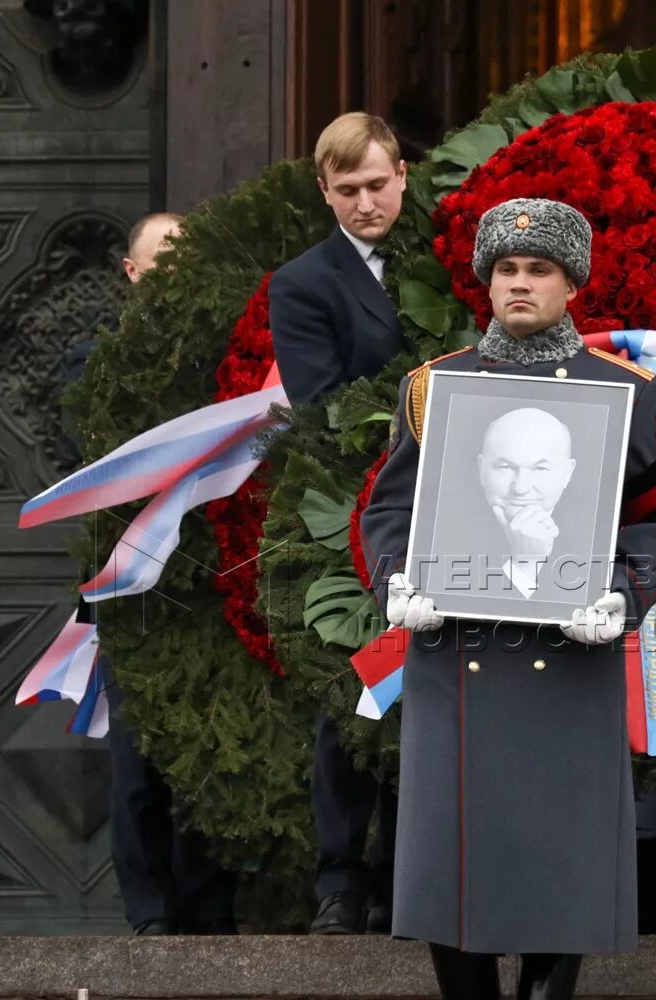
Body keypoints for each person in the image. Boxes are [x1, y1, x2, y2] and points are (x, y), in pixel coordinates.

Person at [360, 198, 656, 1000]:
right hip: (455, 650)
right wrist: (396, 582)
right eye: (504, 268)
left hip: (570, 654)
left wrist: (626, 594)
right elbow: (387, 511)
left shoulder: (623, 392)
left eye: (539, 269)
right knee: (445, 857)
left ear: (572, 283)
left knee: (562, 865)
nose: (519, 282)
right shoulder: (437, 386)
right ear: (485, 278)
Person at [71, 212, 239, 936]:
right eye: (159, 264)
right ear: (132, 274)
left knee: (210, 757)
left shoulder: (222, 357)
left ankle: (206, 911)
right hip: (133, 590)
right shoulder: (94, 361)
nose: (174, 277)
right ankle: (149, 916)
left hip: (209, 586)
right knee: (137, 767)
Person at [269, 113, 410, 934]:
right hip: (352, 508)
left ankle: (406, 876)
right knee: (353, 693)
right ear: (325, 191)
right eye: (347, 190)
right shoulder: (304, 282)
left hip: (458, 502)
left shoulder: (443, 258)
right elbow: (320, 406)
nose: (365, 203)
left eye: (377, 184)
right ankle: (341, 881)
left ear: (403, 175)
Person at [477, 407, 580, 601]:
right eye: (506, 467)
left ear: (568, 473)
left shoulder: (598, 539)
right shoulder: (437, 538)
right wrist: (524, 566)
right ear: (482, 469)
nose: (521, 488)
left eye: (540, 468)